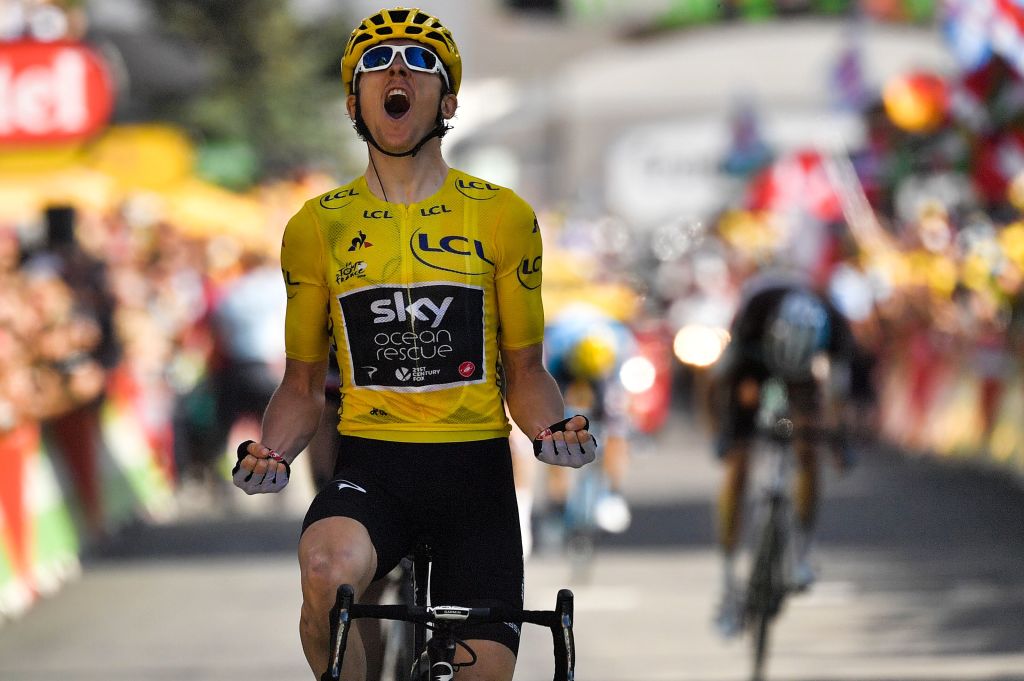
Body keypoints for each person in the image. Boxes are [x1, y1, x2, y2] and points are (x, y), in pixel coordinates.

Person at [230, 8, 597, 681]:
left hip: (474, 477)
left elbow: (526, 371)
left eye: (419, 61)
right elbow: (303, 384)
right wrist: (273, 449)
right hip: (374, 466)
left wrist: (553, 428)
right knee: (324, 568)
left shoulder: (503, 215)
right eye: (377, 61)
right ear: (354, 103)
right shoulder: (317, 226)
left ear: (447, 101)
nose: (397, 69)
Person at [707, 269, 855, 637]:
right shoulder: (754, 313)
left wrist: (836, 440)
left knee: (809, 450)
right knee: (738, 463)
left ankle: (802, 551)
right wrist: (722, 434)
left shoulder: (834, 324)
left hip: (805, 372)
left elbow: (837, 397)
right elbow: (718, 382)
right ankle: (728, 577)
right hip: (755, 361)